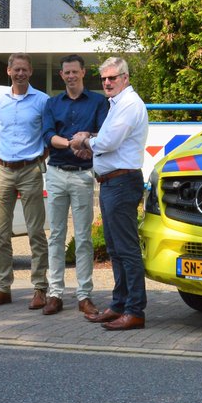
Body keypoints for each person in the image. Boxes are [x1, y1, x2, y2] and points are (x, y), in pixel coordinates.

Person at [69, 56, 149, 330]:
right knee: (116, 249)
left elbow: (109, 141)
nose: (107, 83)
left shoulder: (128, 104)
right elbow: (106, 141)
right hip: (112, 182)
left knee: (126, 250)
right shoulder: (118, 104)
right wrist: (91, 142)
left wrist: (84, 141)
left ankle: (135, 310)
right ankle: (119, 305)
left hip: (122, 182)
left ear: (125, 78)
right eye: (104, 79)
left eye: (112, 78)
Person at [42, 54, 108, 316]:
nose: (70, 76)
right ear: (61, 75)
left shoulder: (98, 102)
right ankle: (55, 293)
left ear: (83, 73)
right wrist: (72, 142)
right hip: (56, 173)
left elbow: (103, 133)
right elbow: (47, 136)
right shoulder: (52, 103)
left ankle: (84, 295)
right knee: (56, 236)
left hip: (82, 174)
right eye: (66, 73)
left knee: (83, 238)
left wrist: (87, 137)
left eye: (74, 72)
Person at [0, 53, 50, 308]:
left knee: (35, 232)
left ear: (30, 71)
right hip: (3, 171)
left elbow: (48, 135)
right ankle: (3, 288)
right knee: (0, 233)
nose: (20, 73)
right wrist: (5, 156)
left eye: (24, 69)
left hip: (30, 170)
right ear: (8, 71)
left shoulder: (42, 100)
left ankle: (40, 288)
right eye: (16, 69)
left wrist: (35, 158)